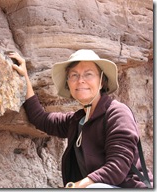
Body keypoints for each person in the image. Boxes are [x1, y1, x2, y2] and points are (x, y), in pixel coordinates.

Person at [8, 49, 153, 188]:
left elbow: (117, 169)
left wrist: (75, 186)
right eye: (74, 75)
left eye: (88, 74)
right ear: (68, 83)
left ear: (102, 81)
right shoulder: (77, 121)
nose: (80, 80)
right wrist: (24, 77)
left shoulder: (117, 113)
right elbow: (41, 119)